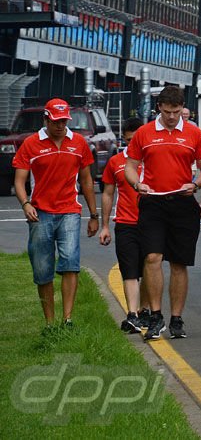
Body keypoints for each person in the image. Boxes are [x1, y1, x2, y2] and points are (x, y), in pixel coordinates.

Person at [125, 86, 201, 340]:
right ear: (158, 108)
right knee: (152, 257)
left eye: (176, 112)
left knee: (179, 263)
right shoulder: (144, 133)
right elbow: (131, 166)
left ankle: (176, 318)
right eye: (167, 111)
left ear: (182, 109)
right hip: (153, 202)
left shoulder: (193, 133)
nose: (172, 117)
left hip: (183, 202)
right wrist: (137, 184)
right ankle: (156, 315)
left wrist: (195, 184)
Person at [14, 98, 99, 334]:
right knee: (42, 269)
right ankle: (50, 323)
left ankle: (67, 319)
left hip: (70, 211)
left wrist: (94, 214)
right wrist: (25, 203)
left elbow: (86, 181)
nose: (61, 126)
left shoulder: (79, 142)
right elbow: (19, 181)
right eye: (56, 121)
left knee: (70, 262)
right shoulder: (31, 144)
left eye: (64, 121)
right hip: (40, 213)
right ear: (46, 119)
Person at [98, 117, 151, 333]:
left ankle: (145, 309)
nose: (133, 143)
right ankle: (132, 314)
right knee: (129, 270)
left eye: (136, 139)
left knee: (150, 267)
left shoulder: (153, 159)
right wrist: (105, 226)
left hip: (152, 223)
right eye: (129, 140)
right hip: (126, 223)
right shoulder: (116, 162)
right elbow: (108, 194)